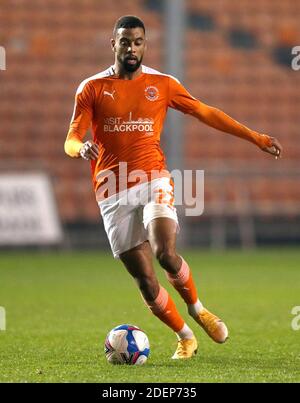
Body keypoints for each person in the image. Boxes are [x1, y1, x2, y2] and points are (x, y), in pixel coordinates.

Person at [64, 15, 283, 359]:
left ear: (145, 44)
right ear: (114, 44)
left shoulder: (162, 83)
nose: (132, 48)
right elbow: (71, 138)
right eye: (125, 42)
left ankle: (198, 309)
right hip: (111, 188)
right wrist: (81, 149)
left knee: (165, 252)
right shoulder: (91, 88)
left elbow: (205, 112)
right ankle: (185, 336)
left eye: (138, 42)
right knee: (146, 283)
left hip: (152, 178)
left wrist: (255, 138)